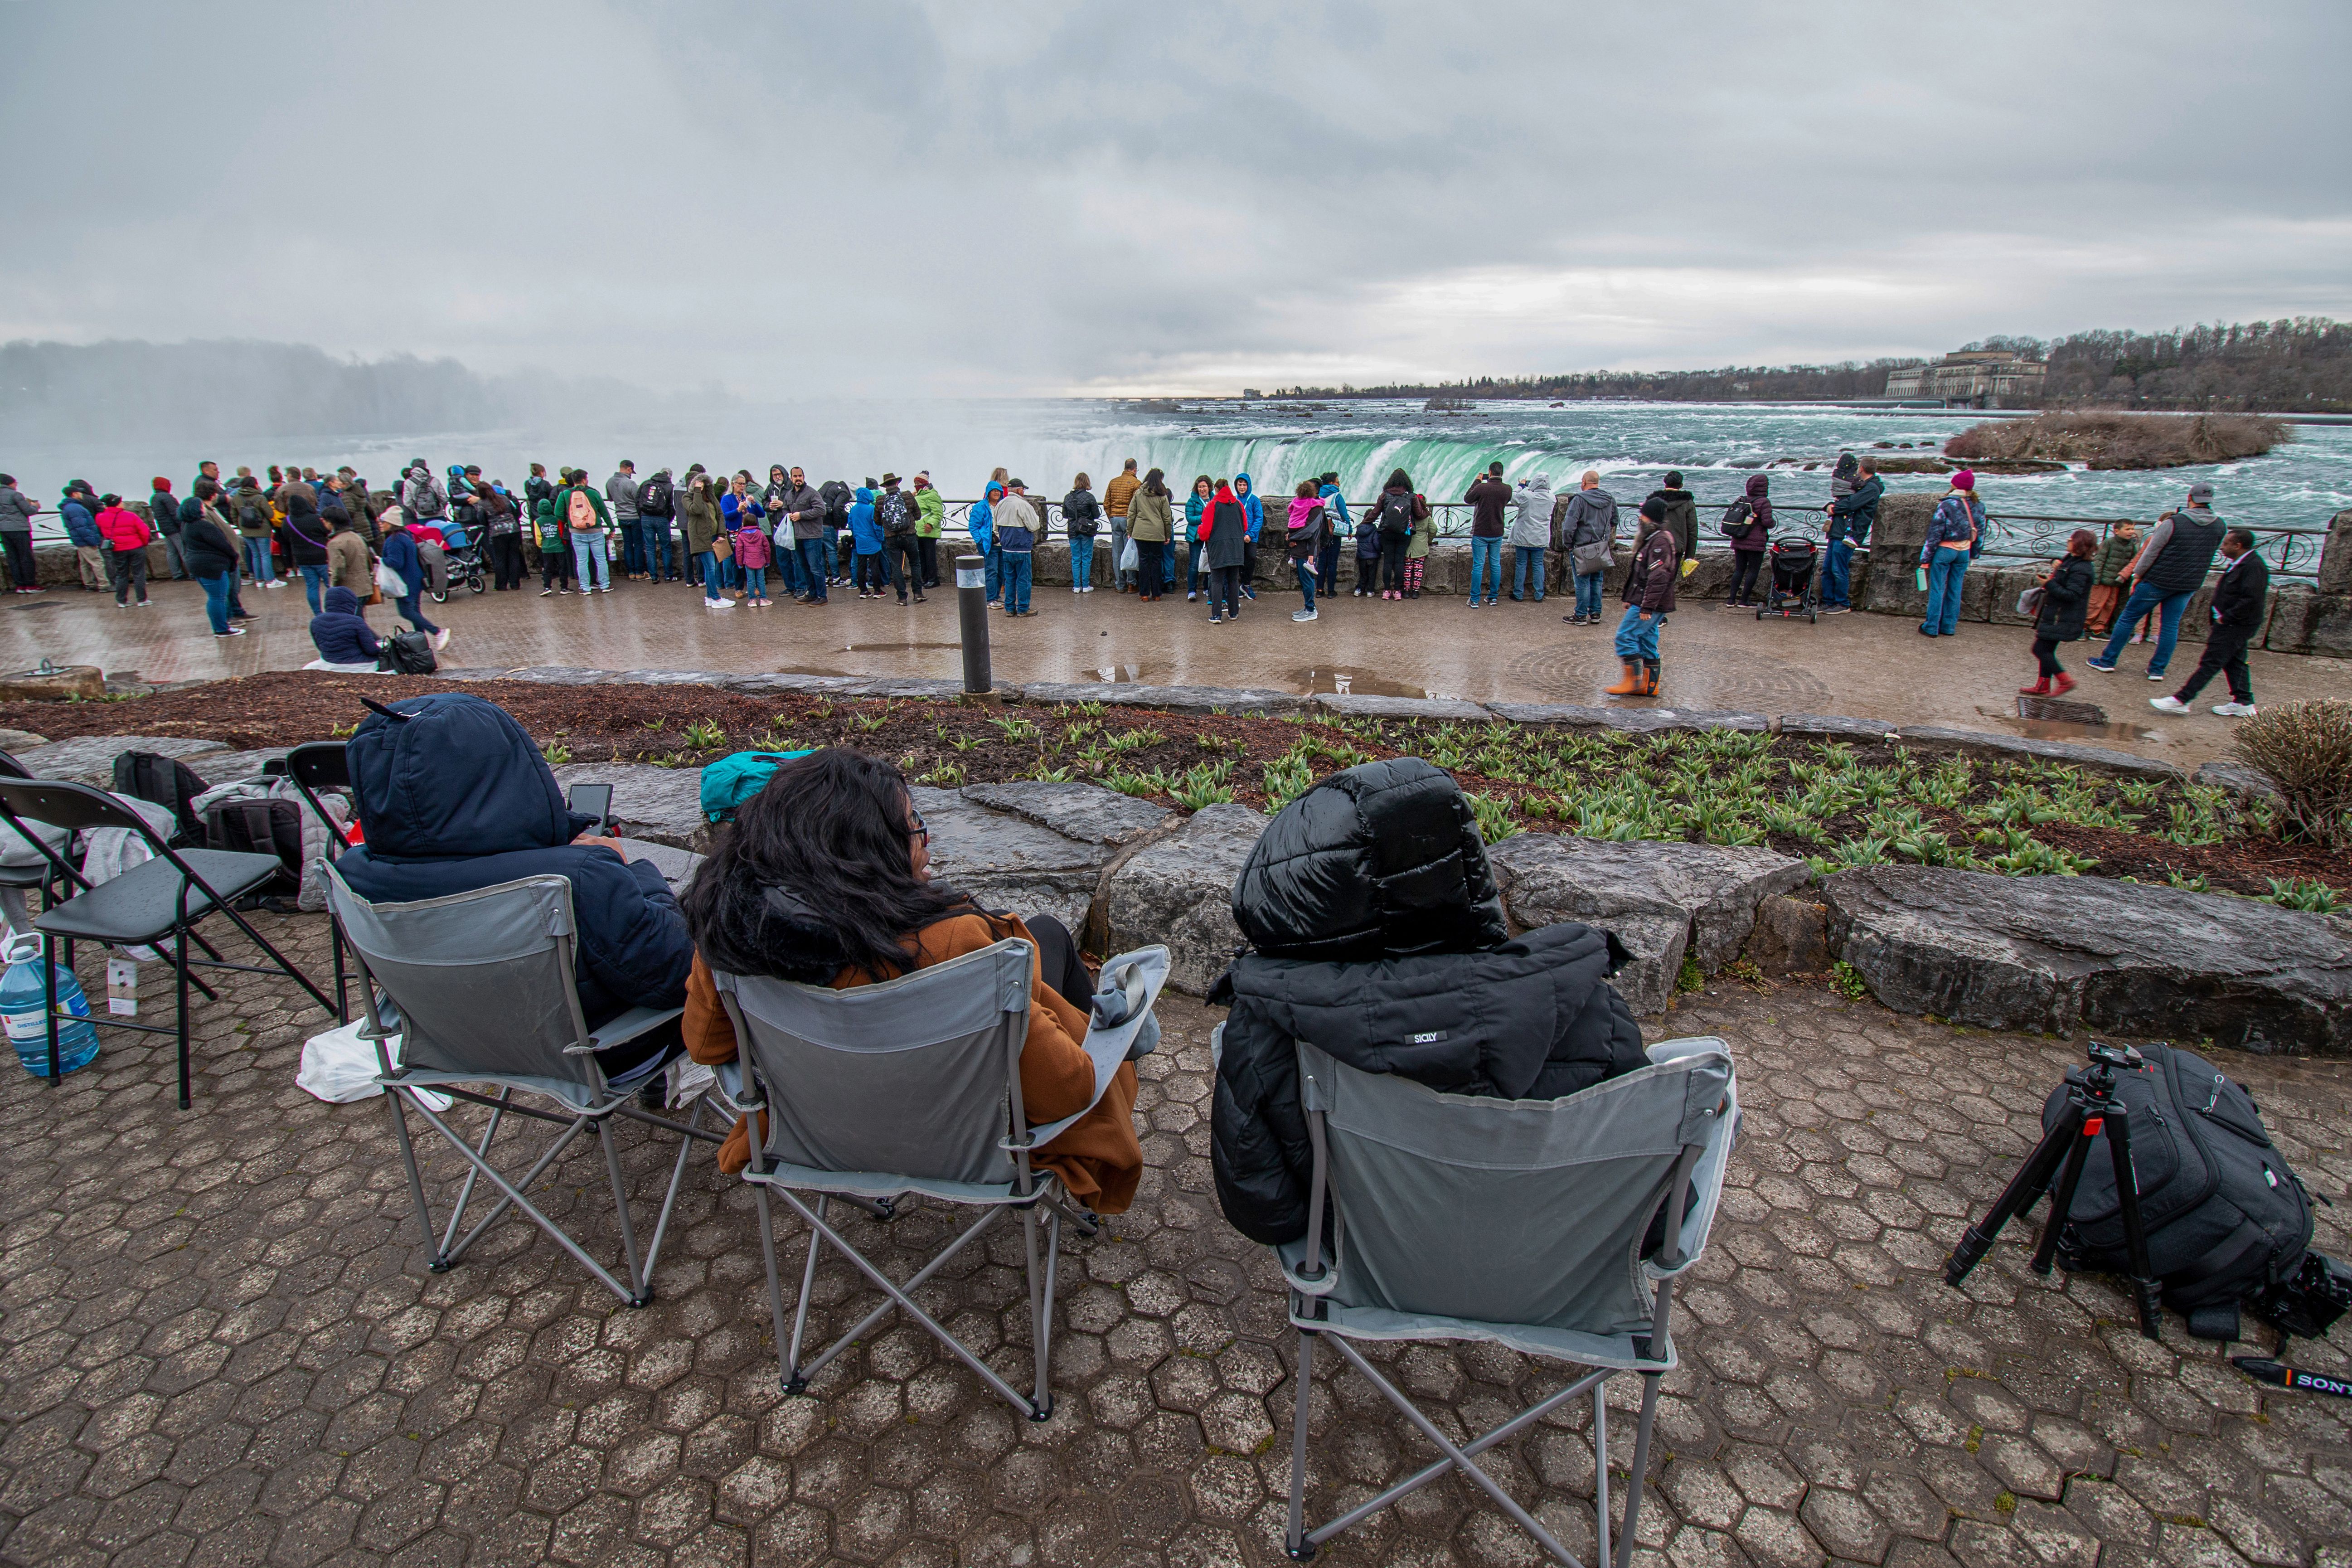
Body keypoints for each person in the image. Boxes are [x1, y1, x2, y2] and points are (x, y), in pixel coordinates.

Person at [1207, 757, 1646, 1246]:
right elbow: (1653, 1211)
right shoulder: (1592, 1012)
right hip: (1558, 1287)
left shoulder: (1268, 1028)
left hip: (1367, 1270)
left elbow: (1265, 1212)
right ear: (1465, 871)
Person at [677, 748, 1142, 1209]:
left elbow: (706, 1047)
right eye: (912, 824)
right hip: (970, 1143)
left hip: (818, 1138)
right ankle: (1122, 1032)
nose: (925, 838)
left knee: (1046, 936)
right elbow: (1069, 1091)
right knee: (1047, 951)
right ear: (865, 851)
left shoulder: (731, 940)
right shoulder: (957, 946)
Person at [339, 693, 694, 1082]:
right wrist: (634, 871)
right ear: (510, 773)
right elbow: (678, 977)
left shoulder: (353, 876)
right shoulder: (577, 877)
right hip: (602, 1055)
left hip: (453, 1047)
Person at [2087, 482, 2225, 682]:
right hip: (2189, 583)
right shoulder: (2220, 525)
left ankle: (2108, 661)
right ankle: (2157, 670)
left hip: (2158, 580)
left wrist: (2138, 576)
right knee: (2170, 626)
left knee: (2128, 618)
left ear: (2190, 498)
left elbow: (2151, 553)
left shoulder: (2174, 522)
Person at [2152, 529, 2268, 718]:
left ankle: (2182, 700)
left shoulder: (2253, 567)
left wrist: (2227, 617)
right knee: (2235, 662)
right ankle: (2244, 701)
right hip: (2233, 624)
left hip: (2235, 625)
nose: (2222, 547)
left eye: (2226, 544)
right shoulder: (2242, 563)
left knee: (2211, 662)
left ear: (2238, 546)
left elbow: (2252, 599)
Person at [1610, 498, 1680, 696]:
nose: (1640, 518)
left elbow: (1659, 577)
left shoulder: (1659, 541)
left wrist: (1646, 607)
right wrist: (1630, 598)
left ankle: (1631, 683)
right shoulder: (1658, 538)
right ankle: (1649, 687)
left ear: (1650, 519)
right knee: (1648, 641)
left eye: (1643, 515)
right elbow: (1641, 575)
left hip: (1650, 603)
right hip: (1647, 600)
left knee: (1625, 637)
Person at [2021, 530, 2098, 698]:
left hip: (2062, 616)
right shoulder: (2073, 560)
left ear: (2078, 544)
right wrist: (2056, 564)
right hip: (2057, 615)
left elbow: (2072, 595)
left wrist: (2049, 584)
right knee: (2047, 650)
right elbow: (2063, 570)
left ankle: (2065, 680)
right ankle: (2042, 685)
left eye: (2071, 540)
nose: (2068, 542)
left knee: (2040, 649)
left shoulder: (2082, 569)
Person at [1917, 470, 1983, 638]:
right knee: (1956, 588)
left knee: (1938, 588)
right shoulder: (1978, 505)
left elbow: (1935, 534)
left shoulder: (1947, 505)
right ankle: (1949, 626)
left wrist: (1925, 559)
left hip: (1946, 550)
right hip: (1965, 551)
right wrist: (1975, 554)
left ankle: (1931, 626)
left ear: (1955, 485)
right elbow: (1980, 533)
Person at [180, 480, 245, 637]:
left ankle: (220, 626)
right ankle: (222, 628)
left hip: (198, 564)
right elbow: (222, 544)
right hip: (212, 566)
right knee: (218, 598)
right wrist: (234, 557)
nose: (204, 507)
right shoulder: (204, 526)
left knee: (214, 598)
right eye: (201, 506)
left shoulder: (187, 526)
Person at [1820, 456, 1882, 613]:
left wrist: (1833, 508)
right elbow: (1845, 500)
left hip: (1850, 534)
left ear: (1861, 469)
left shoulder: (1871, 488)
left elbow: (1851, 504)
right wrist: (1831, 505)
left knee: (1839, 569)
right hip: (1838, 530)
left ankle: (1842, 603)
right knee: (1827, 568)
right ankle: (1828, 601)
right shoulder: (1861, 486)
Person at [1558, 471, 1618, 625]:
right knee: (1597, 580)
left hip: (1582, 546)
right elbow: (1615, 520)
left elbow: (1569, 526)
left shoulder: (1579, 500)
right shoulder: (1610, 499)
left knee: (1582, 582)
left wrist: (1569, 544)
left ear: (1584, 482)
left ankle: (1580, 615)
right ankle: (1596, 614)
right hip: (1601, 546)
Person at [380, 514, 448, 649]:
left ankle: (438, 632)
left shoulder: (394, 541)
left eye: (383, 521)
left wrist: (380, 560)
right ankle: (423, 644)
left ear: (391, 523)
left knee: (406, 612)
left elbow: (397, 563)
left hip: (405, 583)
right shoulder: (406, 536)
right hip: (417, 580)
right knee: (415, 612)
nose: (380, 524)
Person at [276, 481, 334, 614]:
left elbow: (286, 537)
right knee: (331, 585)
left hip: (302, 559)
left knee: (312, 587)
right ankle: (334, 610)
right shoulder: (315, 519)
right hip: (321, 557)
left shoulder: (288, 521)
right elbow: (326, 532)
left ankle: (318, 613)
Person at [1463, 461, 1513, 607]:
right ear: (1502, 473)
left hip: (1480, 531)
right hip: (1497, 531)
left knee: (1478, 565)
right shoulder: (1507, 489)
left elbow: (1467, 498)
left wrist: (1477, 480)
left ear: (1489, 473)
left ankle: (1474, 599)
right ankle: (1493, 597)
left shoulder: (1482, 488)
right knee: (1496, 564)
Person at [1199, 477, 1247, 625]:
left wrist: (1200, 530)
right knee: (1233, 581)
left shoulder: (1213, 505)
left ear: (1216, 490)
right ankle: (1233, 613)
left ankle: (1217, 615)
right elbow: (1245, 526)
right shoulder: (1238, 504)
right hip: (1236, 548)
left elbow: (1205, 531)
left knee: (1217, 581)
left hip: (1218, 548)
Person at [778, 467, 829, 606]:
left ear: (804, 476)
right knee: (803, 566)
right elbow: (785, 509)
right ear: (791, 478)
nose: (798, 478)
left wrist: (801, 515)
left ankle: (822, 596)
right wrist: (787, 515)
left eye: (800, 476)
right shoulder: (789, 495)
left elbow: (821, 510)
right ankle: (812, 593)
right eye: (795, 476)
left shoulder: (812, 493)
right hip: (797, 536)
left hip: (812, 536)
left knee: (815, 566)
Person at [1721, 473, 1773, 608]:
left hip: (1739, 538)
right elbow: (1768, 522)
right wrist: (1772, 523)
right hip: (1756, 542)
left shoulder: (1743, 499)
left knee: (1739, 570)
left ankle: (1731, 600)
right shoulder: (1764, 502)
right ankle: (1744, 600)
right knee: (1753, 571)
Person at [306, 586, 384, 672]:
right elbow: (371, 650)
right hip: (359, 665)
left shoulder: (315, 621)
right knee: (384, 645)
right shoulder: (356, 621)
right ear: (350, 603)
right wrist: (383, 650)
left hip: (329, 663)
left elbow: (320, 647)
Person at [96, 494, 154, 607]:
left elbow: (103, 531)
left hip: (117, 549)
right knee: (139, 574)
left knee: (121, 574)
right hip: (135, 547)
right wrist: (143, 543)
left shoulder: (100, 517)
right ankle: (142, 599)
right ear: (118, 504)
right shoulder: (131, 516)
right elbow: (144, 531)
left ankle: (122, 601)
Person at [877, 474, 925, 605]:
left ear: (885, 486)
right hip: (909, 536)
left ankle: (902, 598)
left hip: (891, 539)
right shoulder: (907, 496)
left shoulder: (881, 500)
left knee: (897, 567)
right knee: (915, 563)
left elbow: (877, 521)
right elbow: (918, 515)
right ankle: (918, 593)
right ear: (897, 483)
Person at [1507, 472, 1555, 603]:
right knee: (1538, 565)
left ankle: (1518, 593)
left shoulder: (1527, 496)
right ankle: (1539, 594)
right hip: (1541, 537)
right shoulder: (1552, 498)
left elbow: (1514, 498)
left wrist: (1521, 485)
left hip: (1524, 536)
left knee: (1521, 565)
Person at [682, 471, 727, 608]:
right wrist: (697, 491)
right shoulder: (687, 497)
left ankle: (709, 597)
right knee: (710, 568)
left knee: (711, 567)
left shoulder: (711, 497)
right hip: (701, 537)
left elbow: (720, 514)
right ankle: (716, 598)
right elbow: (696, 510)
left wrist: (721, 533)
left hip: (714, 536)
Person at [2086, 520, 2139, 638]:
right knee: (2095, 604)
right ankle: (2083, 626)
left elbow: (2133, 561)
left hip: (2117, 582)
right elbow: (2099, 562)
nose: (2131, 532)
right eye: (2128, 529)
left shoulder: (2131, 546)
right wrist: (2096, 580)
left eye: (2132, 529)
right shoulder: (2109, 543)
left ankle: (2098, 629)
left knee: (2109, 606)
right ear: (2117, 531)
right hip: (2103, 581)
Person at [994, 479, 1039, 616]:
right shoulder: (1023, 505)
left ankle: (1009, 609)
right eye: (1023, 490)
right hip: (1022, 549)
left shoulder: (1000, 505)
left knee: (1009, 580)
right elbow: (1034, 526)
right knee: (1024, 579)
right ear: (1020, 490)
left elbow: (996, 528)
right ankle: (1023, 609)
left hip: (1006, 549)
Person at [1126, 469, 1173, 601]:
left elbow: (1131, 514)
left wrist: (1129, 531)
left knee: (1144, 562)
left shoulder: (1139, 494)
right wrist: (1167, 534)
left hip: (1141, 533)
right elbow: (1167, 517)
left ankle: (1145, 594)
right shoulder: (1162, 495)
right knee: (1157, 562)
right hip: (1157, 533)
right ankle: (1157, 594)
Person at [226, 476, 278, 588]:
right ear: (255, 485)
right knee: (265, 555)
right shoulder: (260, 497)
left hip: (246, 530)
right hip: (262, 530)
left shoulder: (236, 497)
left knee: (255, 555)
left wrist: (240, 526)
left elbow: (234, 515)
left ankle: (259, 580)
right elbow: (270, 514)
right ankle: (270, 580)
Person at [1286, 479, 1325, 622]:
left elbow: (1310, 530)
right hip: (1301, 549)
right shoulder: (1308, 506)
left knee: (1308, 581)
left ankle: (1311, 610)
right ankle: (1308, 607)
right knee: (1304, 580)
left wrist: (1292, 536)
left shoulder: (1317, 509)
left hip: (1309, 550)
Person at [1644, 470, 1699, 563]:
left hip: (1654, 545)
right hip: (1676, 547)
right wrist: (1689, 556)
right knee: (1670, 576)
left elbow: (1644, 526)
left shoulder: (1652, 501)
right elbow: (1692, 531)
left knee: (1654, 576)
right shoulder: (1688, 503)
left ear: (1665, 485)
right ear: (1681, 485)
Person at [1103, 459, 1141, 592]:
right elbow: (1137, 506)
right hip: (1129, 521)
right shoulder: (1137, 484)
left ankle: (1119, 584)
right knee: (1130, 551)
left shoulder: (1113, 482)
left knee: (1117, 553)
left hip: (1115, 519)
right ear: (1135, 470)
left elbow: (1106, 503)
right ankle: (1131, 583)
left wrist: (1112, 517)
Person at [730, 491, 774, 607]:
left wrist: (740, 563)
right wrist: (768, 561)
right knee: (761, 581)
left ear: (744, 523)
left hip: (748, 562)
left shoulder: (741, 535)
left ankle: (752, 601)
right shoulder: (761, 535)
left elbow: (739, 551)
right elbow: (767, 549)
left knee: (750, 581)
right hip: (760, 561)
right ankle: (764, 599)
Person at [61, 482, 106, 591]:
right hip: (85, 540)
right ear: (74, 494)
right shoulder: (75, 508)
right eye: (80, 493)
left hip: (79, 540)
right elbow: (81, 527)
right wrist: (92, 540)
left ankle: (89, 584)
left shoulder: (69, 507)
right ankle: (104, 585)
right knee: (97, 562)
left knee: (85, 563)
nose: (82, 494)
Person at [638, 466, 678, 583]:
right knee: (666, 548)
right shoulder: (670, 487)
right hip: (662, 519)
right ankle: (668, 576)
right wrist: (668, 519)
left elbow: (638, 501)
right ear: (669, 476)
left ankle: (654, 577)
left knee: (650, 548)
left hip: (646, 518)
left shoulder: (646, 483)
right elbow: (672, 506)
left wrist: (642, 515)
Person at [1063, 473, 1101, 593]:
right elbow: (1097, 515)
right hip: (1086, 530)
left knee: (1075, 558)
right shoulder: (1090, 497)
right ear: (1087, 482)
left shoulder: (1068, 497)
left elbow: (1064, 515)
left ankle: (1077, 586)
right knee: (1086, 557)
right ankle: (1086, 586)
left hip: (1073, 530)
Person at [0, 475, 39, 591]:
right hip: (19, 529)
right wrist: (35, 507)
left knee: (13, 558)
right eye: (15, 483)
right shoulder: (15, 495)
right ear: (10, 484)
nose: (16, 485)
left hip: (4, 530)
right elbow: (28, 511)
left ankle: (20, 585)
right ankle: (31, 585)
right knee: (26, 557)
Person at [328, 504, 375, 597]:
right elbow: (371, 560)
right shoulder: (359, 537)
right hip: (365, 586)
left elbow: (339, 570)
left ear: (331, 523)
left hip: (349, 589)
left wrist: (332, 588)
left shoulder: (335, 543)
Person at [147, 477, 188, 581]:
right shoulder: (167, 497)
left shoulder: (155, 498)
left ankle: (177, 574)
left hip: (165, 529)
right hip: (174, 529)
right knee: (184, 551)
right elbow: (175, 513)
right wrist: (182, 526)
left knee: (172, 552)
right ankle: (193, 573)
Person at [607, 461, 642, 581]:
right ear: (629, 469)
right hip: (634, 518)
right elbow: (639, 500)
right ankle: (639, 573)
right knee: (638, 545)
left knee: (628, 545)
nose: (632, 474)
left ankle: (631, 573)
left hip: (621, 518)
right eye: (632, 471)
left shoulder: (610, 482)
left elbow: (611, 499)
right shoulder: (630, 483)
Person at [1315, 472, 1349, 596]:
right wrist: (1349, 530)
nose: (1339, 484)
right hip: (1334, 533)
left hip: (1321, 532)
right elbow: (1344, 515)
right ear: (1331, 483)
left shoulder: (1318, 496)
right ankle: (1331, 591)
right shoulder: (1337, 496)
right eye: (1337, 482)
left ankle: (1319, 590)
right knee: (1332, 562)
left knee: (1322, 561)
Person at [1232, 471, 1262, 601]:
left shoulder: (1254, 500)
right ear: (1236, 486)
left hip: (1251, 537)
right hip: (1237, 537)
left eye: (1244, 485)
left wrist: (1250, 534)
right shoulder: (1234, 500)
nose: (1242, 487)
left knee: (1251, 558)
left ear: (1248, 485)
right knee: (1238, 562)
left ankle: (1246, 585)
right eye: (1240, 485)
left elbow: (1259, 518)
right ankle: (1239, 586)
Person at [1403, 485, 1437, 598]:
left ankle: (1407, 591)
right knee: (1418, 569)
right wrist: (1429, 540)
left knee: (1408, 569)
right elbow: (1434, 529)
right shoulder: (1426, 517)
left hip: (1409, 545)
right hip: (1422, 546)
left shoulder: (1409, 514)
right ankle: (1416, 591)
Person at [912, 471, 944, 589]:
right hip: (920, 531)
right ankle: (925, 579)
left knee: (930, 557)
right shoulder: (919, 495)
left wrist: (930, 524)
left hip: (929, 532)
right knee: (922, 557)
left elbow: (938, 512)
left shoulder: (932, 495)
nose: (916, 485)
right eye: (915, 483)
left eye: (918, 483)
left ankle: (933, 579)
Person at [1184, 475, 1213, 601]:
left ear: (1209, 487)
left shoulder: (1214, 500)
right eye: (1200, 487)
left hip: (1210, 537)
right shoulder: (1192, 501)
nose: (1202, 490)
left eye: (1204, 487)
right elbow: (1190, 518)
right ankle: (1192, 590)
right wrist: (1205, 516)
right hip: (1196, 537)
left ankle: (1207, 588)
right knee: (1195, 564)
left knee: (1209, 564)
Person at [1352, 490, 1384, 598]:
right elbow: (1376, 543)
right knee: (1372, 575)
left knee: (1363, 575)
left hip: (1362, 556)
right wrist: (1379, 551)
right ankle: (1370, 591)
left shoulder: (1359, 529)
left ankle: (1359, 589)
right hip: (1373, 557)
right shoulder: (1374, 530)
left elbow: (1357, 538)